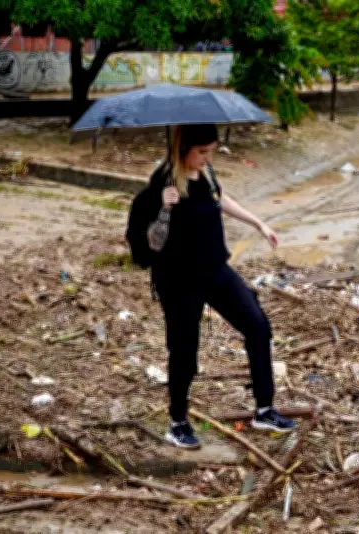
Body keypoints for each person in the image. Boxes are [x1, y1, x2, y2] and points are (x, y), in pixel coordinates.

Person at [127, 124, 297, 449]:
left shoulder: (205, 173)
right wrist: (164, 209)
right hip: (179, 282)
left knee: (258, 327)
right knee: (184, 352)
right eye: (202, 152)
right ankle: (177, 422)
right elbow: (153, 242)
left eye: (211, 151)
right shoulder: (162, 183)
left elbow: (220, 198)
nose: (207, 158)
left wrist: (258, 223)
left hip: (215, 271)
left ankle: (264, 409)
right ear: (184, 149)